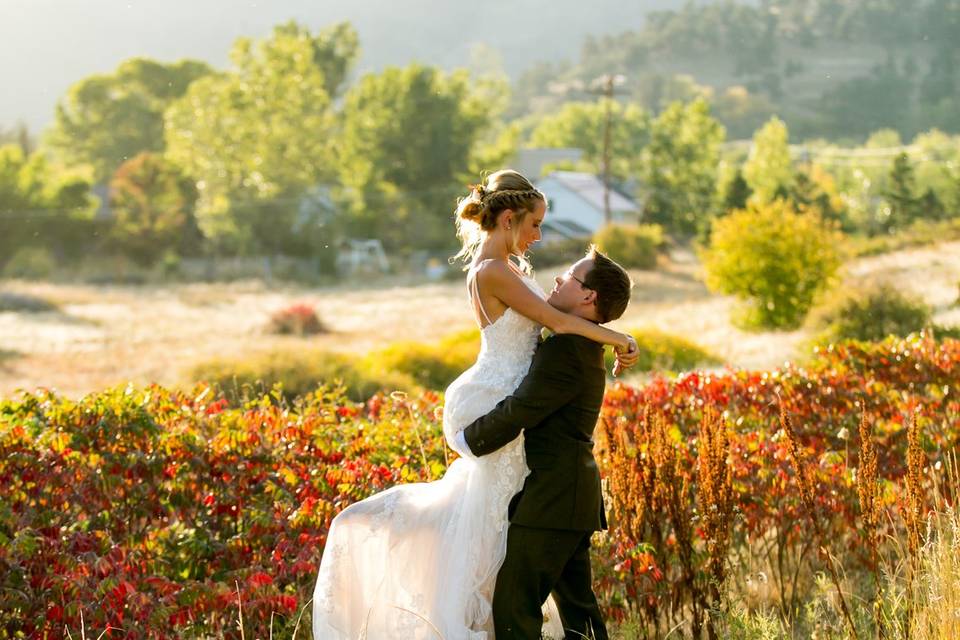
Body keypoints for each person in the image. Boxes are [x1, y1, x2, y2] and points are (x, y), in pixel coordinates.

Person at [312, 169, 637, 639]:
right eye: (534, 224)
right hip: (494, 401)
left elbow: (551, 339)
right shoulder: (495, 271)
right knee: (502, 564)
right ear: (508, 219)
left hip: (532, 447)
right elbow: (552, 322)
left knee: (502, 562)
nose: (539, 236)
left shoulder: (510, 272)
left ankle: (476, 615)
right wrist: (618, 337)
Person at [457, 247, 632, 640]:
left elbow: (523, 410)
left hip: (554, 498)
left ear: (589, 296)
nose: (557, 279)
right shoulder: (583, 346)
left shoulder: (567, 350)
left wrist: (468, 438)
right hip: (569, 496)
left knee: (513, 607)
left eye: (570, 276)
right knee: (579, 616)